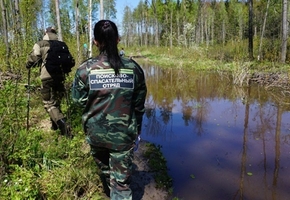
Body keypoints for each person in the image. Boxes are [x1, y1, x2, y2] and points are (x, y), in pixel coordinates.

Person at [71, 20, 147, 199]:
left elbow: (78, 101)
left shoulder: (85, 69)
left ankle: (110, 192)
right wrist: (136, 129)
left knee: (105, 171)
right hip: (123, 136)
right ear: (118, 39)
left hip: (96, 133)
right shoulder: (133, 69)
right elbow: (139, 105)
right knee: (120, 184)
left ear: (95, 42)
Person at [26, 26, 73, 138]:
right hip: (60, 77)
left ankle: (63, 126)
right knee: (56, 101)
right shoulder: (62, 44)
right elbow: (71, 60)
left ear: (45, 33)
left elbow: (34, 58)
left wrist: (28, 65)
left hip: (47, 77)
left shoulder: (41, 44)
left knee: (49, 103)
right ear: (55, 33)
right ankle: (54, 125)